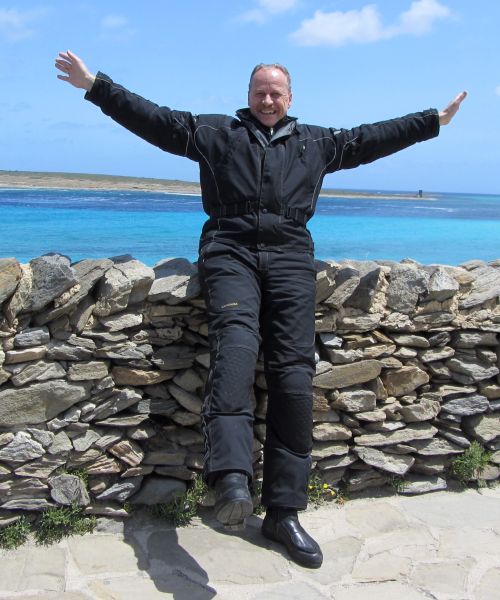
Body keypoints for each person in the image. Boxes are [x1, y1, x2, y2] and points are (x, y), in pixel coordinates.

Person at [55, 50, 466, 569]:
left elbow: (372, 138)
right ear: (248, 96)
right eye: (259, 92)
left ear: (290, 98)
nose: (267, 100)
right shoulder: (215, 132)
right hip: (229, 250)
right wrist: (95, 85)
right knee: (235, 349)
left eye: (276, 93)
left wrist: (433, 120)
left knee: (294, 375)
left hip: (291, 253)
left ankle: (284, 513)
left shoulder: (317, 142)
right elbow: (154, 120)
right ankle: (231, 479)